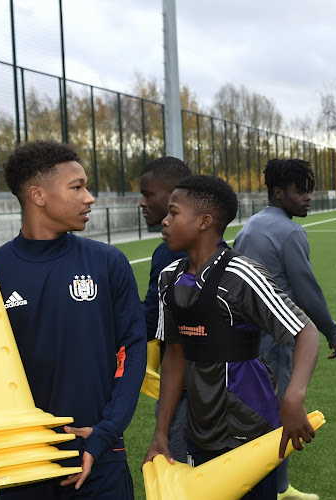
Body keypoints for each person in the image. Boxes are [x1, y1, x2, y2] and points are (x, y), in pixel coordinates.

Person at [0, 140, 146, 500]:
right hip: (20, 469)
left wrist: (107, 431)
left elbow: (130, 353)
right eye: (77, 187)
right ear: (38, 195)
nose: (90, 197)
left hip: (98, 460)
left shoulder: (107, 263)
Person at [143, 175, 320, 500]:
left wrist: (293, 397)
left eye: (174, 213)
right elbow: (175, 356)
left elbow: (305, 331)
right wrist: (161, 432)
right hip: (199, 431)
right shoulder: (170, 279)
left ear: (204, 222)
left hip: (249, 432)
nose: (164, 222)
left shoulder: (241, 275)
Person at [234, 158, 336, 500]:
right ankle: (275, 490)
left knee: (256, 413)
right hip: (276, 338)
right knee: (280, 412)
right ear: (278, 193)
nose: (307, 197)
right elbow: (307, 292)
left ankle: (273, 486)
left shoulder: (249, 226)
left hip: (244, 339)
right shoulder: (289, 231)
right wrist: (333, 333)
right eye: (299, 191)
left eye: (309, 190)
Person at [138, 156, 191, 463]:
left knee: (180, 467)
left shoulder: (169, 253)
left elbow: (151, 320)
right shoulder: (217, 248)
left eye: (148, 194)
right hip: (222, 388)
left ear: (174, 195)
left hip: (184, 386)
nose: (143, 203)